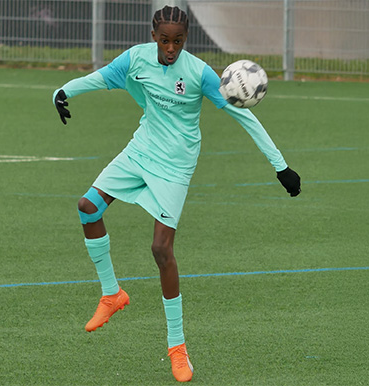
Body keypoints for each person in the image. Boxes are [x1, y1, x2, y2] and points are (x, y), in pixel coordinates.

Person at [52, 5, 301, 383]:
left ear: (187, 40)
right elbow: (101, 78)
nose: (171, 48)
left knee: (161, 250)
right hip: (141, 150)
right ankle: (111, 294)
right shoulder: (135, 59)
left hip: (176, 166)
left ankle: (177, 346)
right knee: (88, 207)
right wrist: (63, 90)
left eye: (179, 41)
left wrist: (280, 166)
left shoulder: (200, 74)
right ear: (154, 35)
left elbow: (243, 117)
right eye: (165, 40)